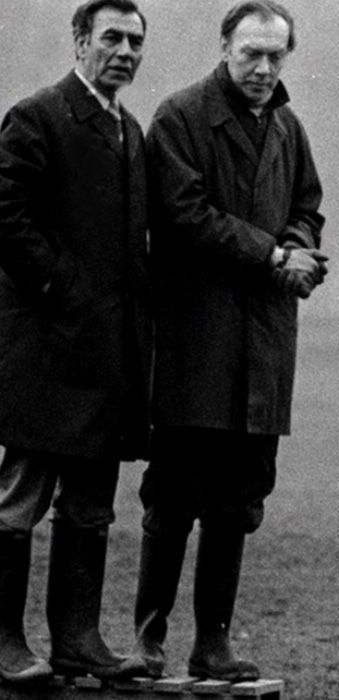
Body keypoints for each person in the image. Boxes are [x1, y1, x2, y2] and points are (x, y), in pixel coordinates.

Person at [138, 0, 327, 681]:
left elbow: (307, 205)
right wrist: (274, 257)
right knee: (175, 494)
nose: (263, 67)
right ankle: (149, 637)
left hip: (266, 344)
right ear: (225, 46)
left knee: (241, 499)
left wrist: (302, 250)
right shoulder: (180, 117)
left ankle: (211, 642)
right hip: (197, 339)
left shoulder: (287, 126)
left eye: (276, 55)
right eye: (251, 52)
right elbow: (182, 215)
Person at [0, 0, 152, 684]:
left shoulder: (130, 130)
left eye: (134, 42)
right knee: (18, 503)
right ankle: (5, 643)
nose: (123, 51)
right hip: (45, 355)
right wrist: (65, 289)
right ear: (80, 40)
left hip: (107, 359)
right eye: (112, 38)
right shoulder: (37, 116)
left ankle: (78, 641)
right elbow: (6, 215)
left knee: (90, 506)